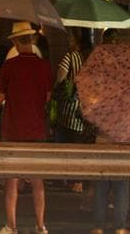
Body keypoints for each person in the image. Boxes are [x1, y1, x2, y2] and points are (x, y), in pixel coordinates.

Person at [0, 21, 53, 234]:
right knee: (38, 181)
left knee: (12, 182)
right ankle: (40, 225)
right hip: (37, 129)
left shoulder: (9, 66)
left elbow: (0, 97)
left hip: (13, 129)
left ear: (17, 42)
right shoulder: (45, 66)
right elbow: (47, 97)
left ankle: (11, 226)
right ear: (32, 40)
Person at [54, 27, 92, 194]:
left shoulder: (69, 58)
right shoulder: (93, 58)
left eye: (70, 38)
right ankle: (79, 181)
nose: (68, 41)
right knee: (81, 148)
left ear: (76, 39)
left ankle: (67, 179)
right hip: (87, 111)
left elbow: (60, 80)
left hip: (69, 111)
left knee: (65, 146)